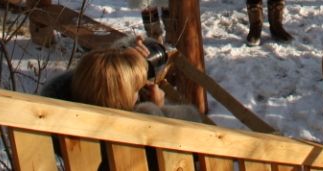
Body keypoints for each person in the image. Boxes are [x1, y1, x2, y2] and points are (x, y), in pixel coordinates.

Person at [42, 42, 203, 169]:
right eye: (136, 90)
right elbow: (195, 145)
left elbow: (96, 80)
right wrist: (156, 112)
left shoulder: (71, 133)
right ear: (121, 98)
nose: (140, 93)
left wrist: (122, 58)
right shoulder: (142, 145)